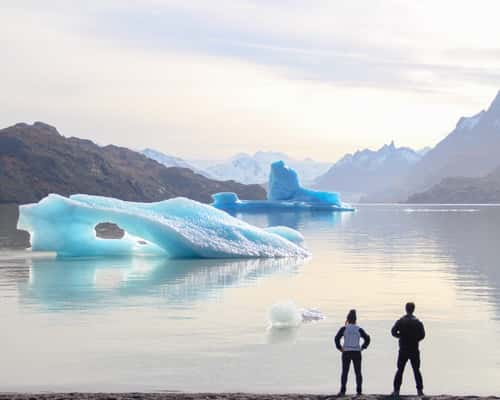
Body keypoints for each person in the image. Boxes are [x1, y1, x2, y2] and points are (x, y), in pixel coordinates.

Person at [391, 302, 426, 397]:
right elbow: (422, 335)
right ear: (413, 309)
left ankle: (396, 391)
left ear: (406, 309)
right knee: (416, 370)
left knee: (400, 370)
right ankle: (420, 391)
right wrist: (415, 339)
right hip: (414, 349)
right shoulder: (418, 322)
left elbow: (393, 332)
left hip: (403, 349)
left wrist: (400, 336)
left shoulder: (401, 321)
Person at [334, 309, 371, 396]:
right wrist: (363, 347)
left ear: (348, 319)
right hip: (356, 352)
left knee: (345, 372)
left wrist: (339, 348)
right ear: (355, 320)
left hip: (346, 352)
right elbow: (368, 338)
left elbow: (336, 338)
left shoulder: (344, 328)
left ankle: (343, 391)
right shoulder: (359, 329)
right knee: (358, 372)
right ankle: (359, 391)